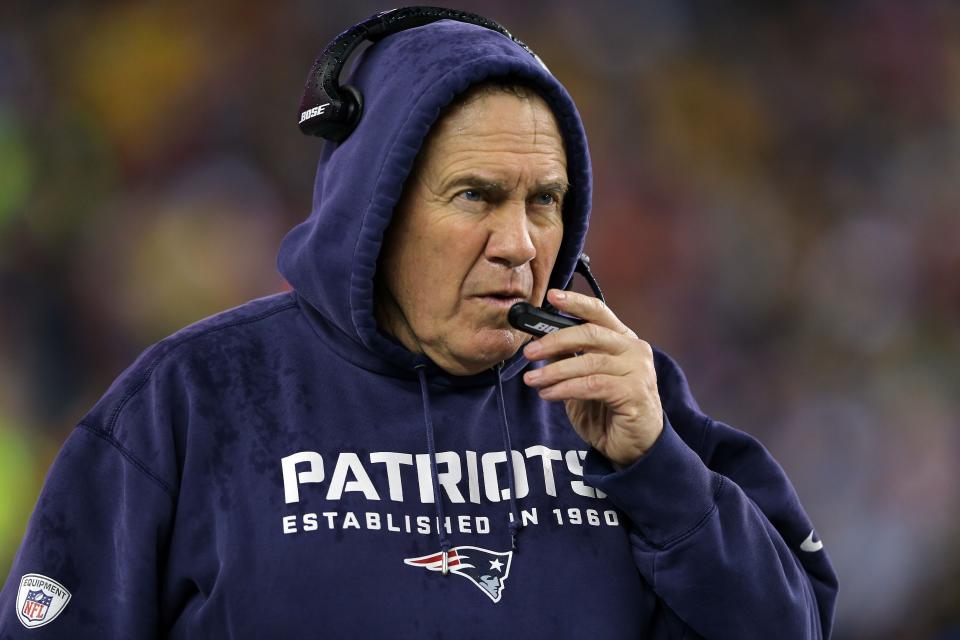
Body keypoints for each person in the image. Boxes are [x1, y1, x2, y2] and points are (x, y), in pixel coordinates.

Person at [0, 8, 838, 638]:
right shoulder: (193, 399)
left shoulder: (626, 402)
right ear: (378, 212)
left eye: (545, 202)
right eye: (475, 196)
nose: (517, 244)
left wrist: (661, 471)